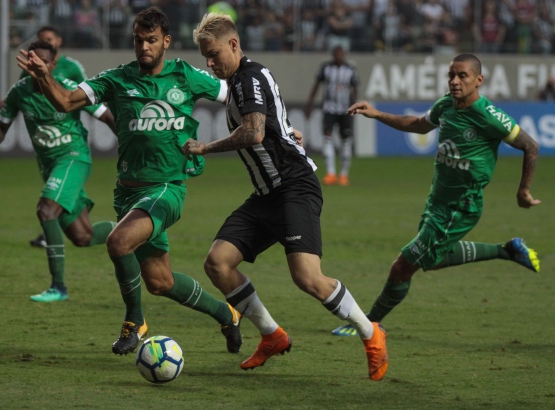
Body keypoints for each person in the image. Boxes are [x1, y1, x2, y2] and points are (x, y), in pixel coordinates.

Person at [16, 7, 243, 356]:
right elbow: (65, 101)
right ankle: (227, 315)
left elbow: (239, 95)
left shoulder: (186, 76)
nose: (144, 47)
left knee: (118, 242)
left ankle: (134, 321)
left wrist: (283, 127)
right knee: (160, 282)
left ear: (166, 41)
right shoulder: (117, 79)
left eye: (151, 40)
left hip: (167, 189)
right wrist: (45, 77)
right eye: (138, 40)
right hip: (128, 193)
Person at [183, 12, 388, 381]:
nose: (209, 63)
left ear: (233, 44)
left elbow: (254, 133)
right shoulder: (246, 79)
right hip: (267, 194)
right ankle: (271, 335)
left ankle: (371, 333)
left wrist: (205, 148)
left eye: (213, 54)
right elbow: (271, 119)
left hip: (294, 186)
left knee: (308, 277)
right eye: (205, 57)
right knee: (218, 263)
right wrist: (289, 130)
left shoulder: (247, 78)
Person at [332, 53, 541, 337]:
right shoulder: (446, 105)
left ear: (478, 80)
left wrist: (523, 190)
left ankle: (368, 325)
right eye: (451, 75)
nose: (455, 81)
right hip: (437, 201)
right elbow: (418, 124)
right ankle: (508, 250)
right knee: (434, 259)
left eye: (462, 76)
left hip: (459, 207)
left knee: (402, 266)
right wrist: (377, 114)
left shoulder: (488, 115)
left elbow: (530, 145)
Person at [0, 40, 117, 302]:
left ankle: (58, 288)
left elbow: (107, 116)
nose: (38, 65)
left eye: (44, 61)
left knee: (46, 209)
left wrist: (129, 144)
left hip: (74, 158)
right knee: (83, 235)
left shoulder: (69, 88)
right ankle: (135, 231)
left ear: (53, 65)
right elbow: (2, 125)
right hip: (50, 167)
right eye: (34, 60)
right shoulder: (19, 92)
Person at [9, 26, 88, 249]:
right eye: (42, 39)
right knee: (83, 234)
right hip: (47, 151)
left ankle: (48, 236)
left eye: (50, 39)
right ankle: (127, 233)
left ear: (58, 41)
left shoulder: (72, 67)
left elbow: (86, 94)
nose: (47, 42)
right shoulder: (31, 68)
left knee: (49, 206)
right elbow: (23, 90)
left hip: (70, 143)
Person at [304, 45, 359, 186]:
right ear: (333, 55)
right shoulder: (326, 68)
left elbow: (355, 89)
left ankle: (344, 175)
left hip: (345, 110)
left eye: (341, 54)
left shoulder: (350, 69)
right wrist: (310, 103)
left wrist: (355, 106)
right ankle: (331, 173)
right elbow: (316, 85)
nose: (338, 56)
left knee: (346, 140)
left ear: (344, 55)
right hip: (329, 109)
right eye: (336, 54)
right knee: (327, 138)